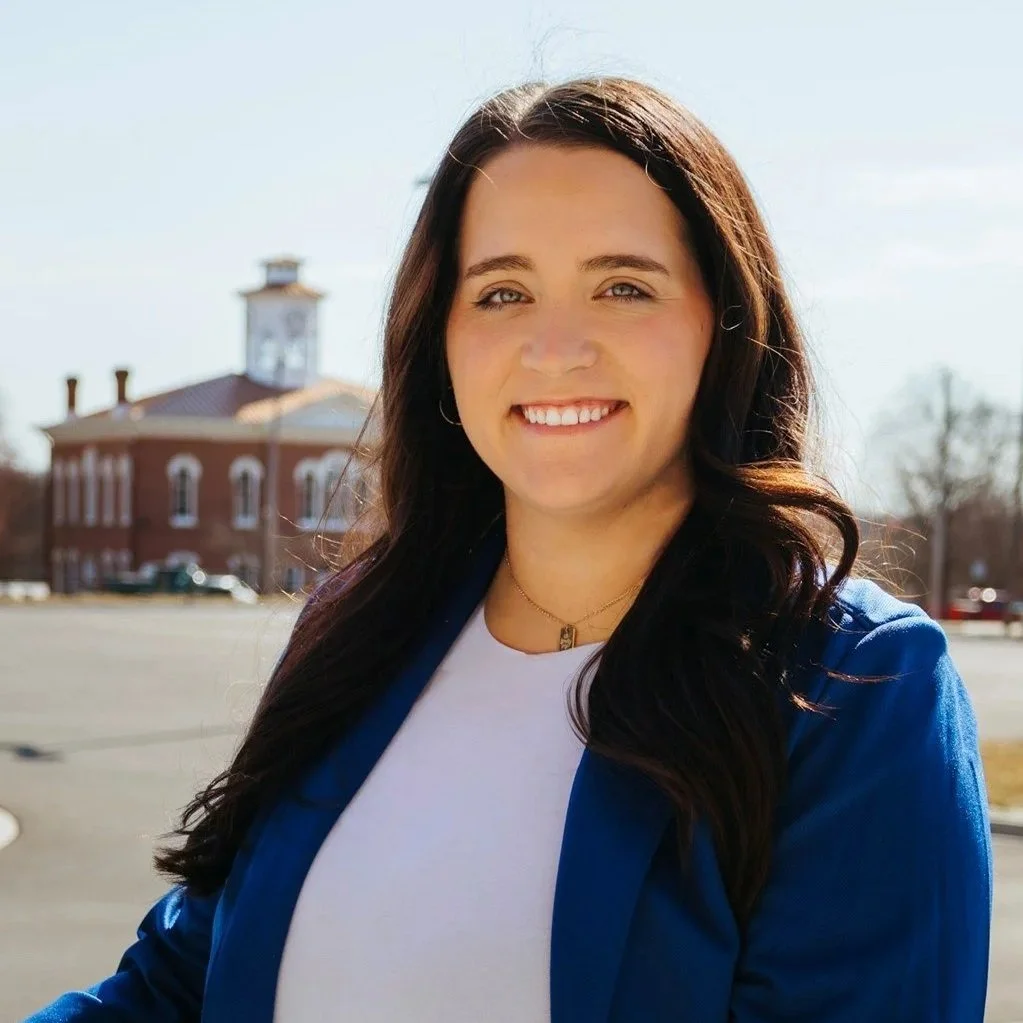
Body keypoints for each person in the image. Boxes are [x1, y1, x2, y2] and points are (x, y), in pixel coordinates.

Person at [26, 77, 991, 1023]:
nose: (555, 345)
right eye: (501, 292)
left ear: (723, 323)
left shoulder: (854, 686)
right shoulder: (361, 629)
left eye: (622, 286)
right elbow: (177, 984)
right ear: (438, 337)